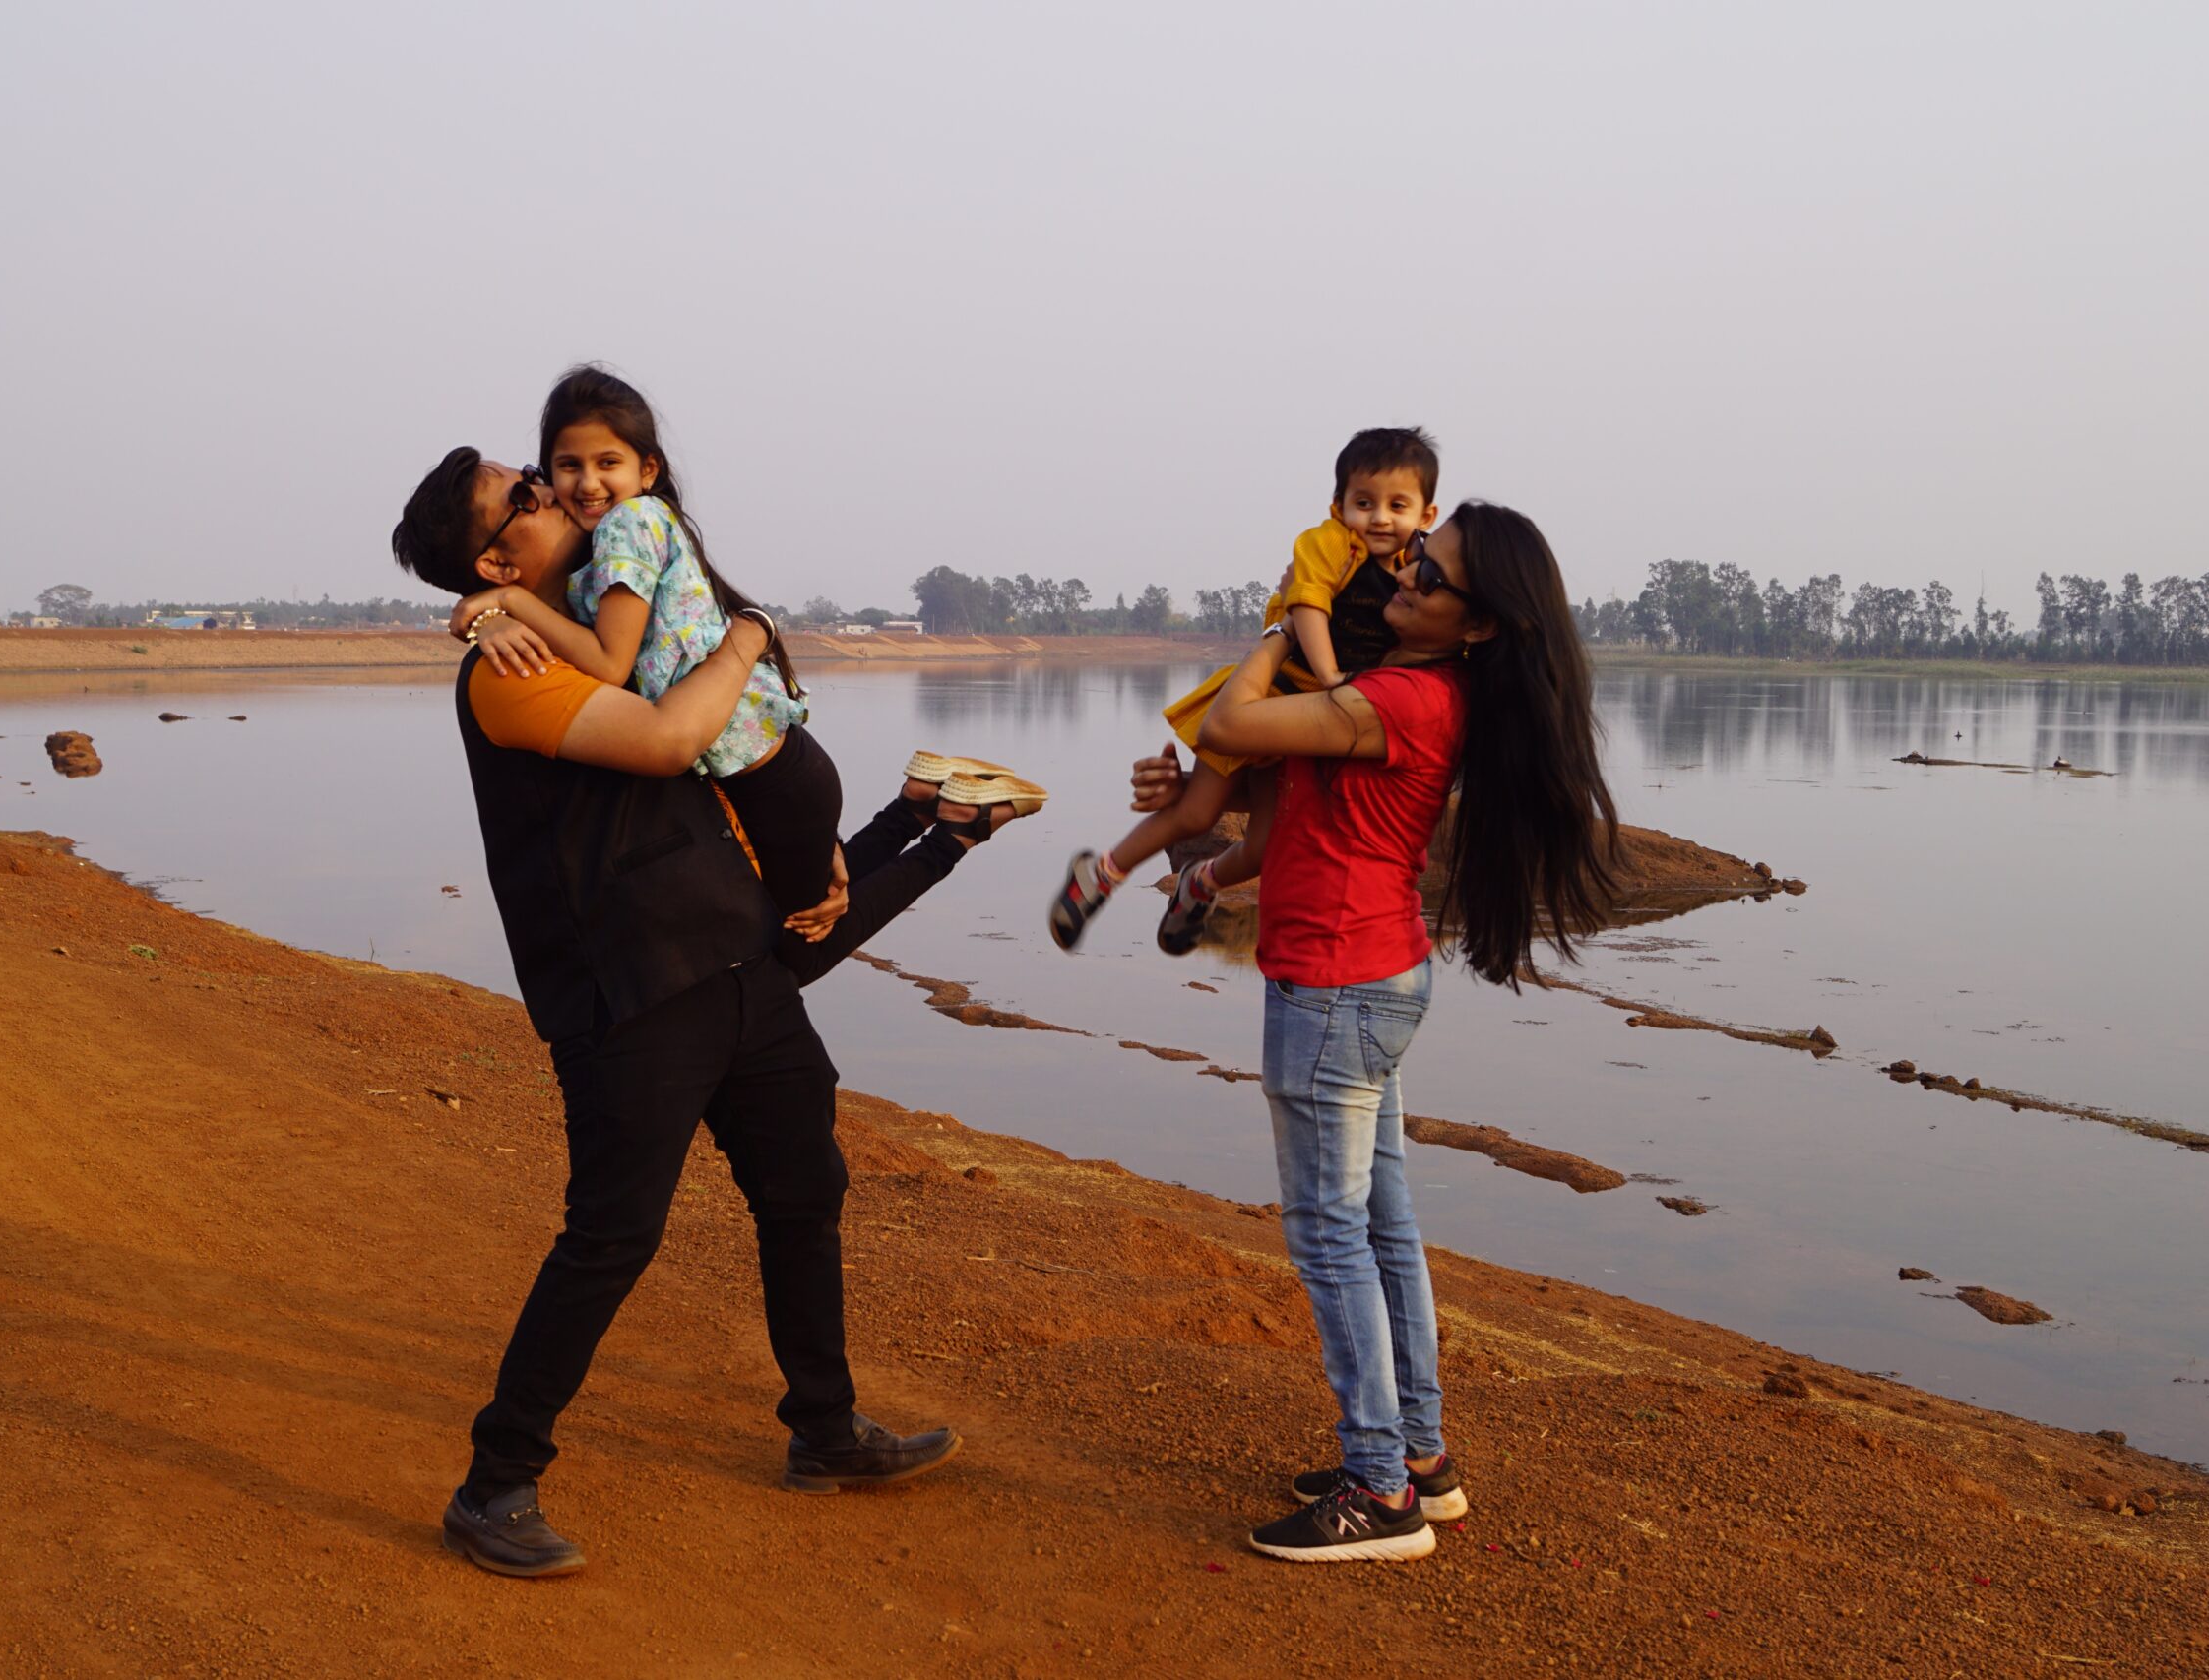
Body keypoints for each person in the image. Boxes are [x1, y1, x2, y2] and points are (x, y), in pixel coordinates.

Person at [391, 447, 1014, 1580]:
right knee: (613, 1234)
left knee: (803, 1189)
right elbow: (677, 740)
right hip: (627, 990)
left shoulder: (583, 628)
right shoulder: (510, 670)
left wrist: (824, 852)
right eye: (526, 491)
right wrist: (747, 638)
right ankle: (494, 1483)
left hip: (730, 960)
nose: (555, 487)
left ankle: (824, 1432)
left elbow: (716, 759)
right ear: (493, 551)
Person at [1132, 502, 1620, 1563]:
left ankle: (1378, 1491)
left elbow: (1227, 724)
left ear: (1477, 625)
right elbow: (1276, 806)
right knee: (1381, 1227)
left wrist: (1276, 629)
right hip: (1372, 970)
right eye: (1410, 560)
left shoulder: (1391, 697)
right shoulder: (1409, 689)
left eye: (1429, 576)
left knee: (1326, 1232)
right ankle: (1420, 1460)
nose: (1402, 576)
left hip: (1335, 982)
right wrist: (1194, 822)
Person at [451, 366, 1044, 918]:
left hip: (766, 770)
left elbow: (607, 663)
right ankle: (923, 806)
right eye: (562, 467)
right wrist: (492, 620)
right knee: (792, 929)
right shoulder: (612, 547)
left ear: (647, 469)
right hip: (762, 764)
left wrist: (510, 603)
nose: (579, 485)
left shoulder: (628, 526)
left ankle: (959, 828)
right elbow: (579, 637)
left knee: (800, 942)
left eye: (607, 462)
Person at [1047, 427, 1441, 956]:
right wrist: (1329, 678)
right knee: (1198, 812)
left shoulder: (1420, 569)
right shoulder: (1328, 543)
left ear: (1426, 515)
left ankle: (1200, 882)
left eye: (1398, 505)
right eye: (1363, 503)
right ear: (1338, 505)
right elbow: (1309, 606)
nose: (1379, 518)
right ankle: (1101, 874)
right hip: (1273, 692)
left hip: (1315, 721)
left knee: (1264, 846)